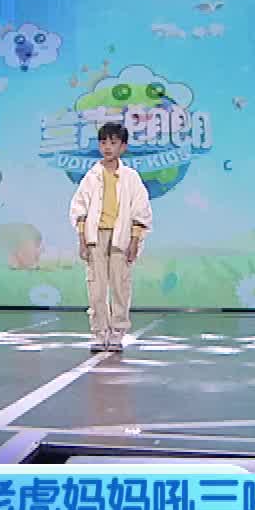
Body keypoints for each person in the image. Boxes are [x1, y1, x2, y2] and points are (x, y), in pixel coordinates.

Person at [70, 122, 153, 352]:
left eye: (113, 142)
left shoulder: (130, 177)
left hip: (121, 237)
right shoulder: (91, 176)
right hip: (95, 237)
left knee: (120, 286)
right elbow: (79, 209)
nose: (108, 147)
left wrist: (135, 241)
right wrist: (82, 241)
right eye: (103, 142)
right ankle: (99, 332)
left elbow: (140, 211)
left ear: (123, 147)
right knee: (96, 288)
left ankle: (117, 332)